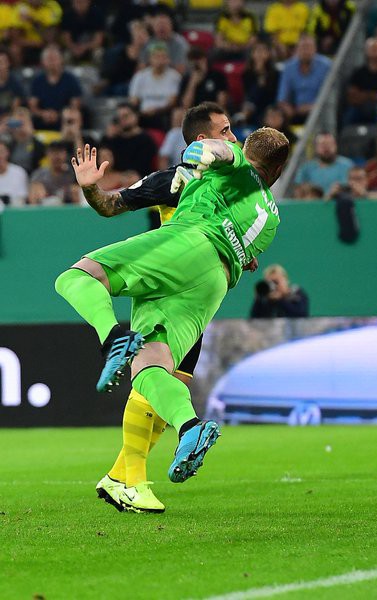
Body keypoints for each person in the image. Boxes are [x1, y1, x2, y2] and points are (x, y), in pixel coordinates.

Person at [57, 126, 288, 513]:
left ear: (246, 149)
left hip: (185, 245)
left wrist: (202, 153)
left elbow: (213, 152)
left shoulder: (232, 161)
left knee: (76, 278)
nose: (229, 137)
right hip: (213, 284)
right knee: (150, 369)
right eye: (224, 130)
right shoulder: (272, 217)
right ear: (278, 171)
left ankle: (112, 338)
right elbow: (247, 257)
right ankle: (190, 427)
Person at [75, 102, 238, 514]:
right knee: (151, 381)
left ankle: (118, 478)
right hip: (167, 292)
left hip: (194, 302)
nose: (233, 137)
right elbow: (110, 205)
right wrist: (91, 188)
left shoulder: (228, 186)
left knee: (167, 395)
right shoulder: (174, 180)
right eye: (226, 130)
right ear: (203, 140)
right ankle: (131, 480)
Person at [277, 34, 331, 125]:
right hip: (295, 112)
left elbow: (330, 95)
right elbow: (282, 98)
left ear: (315, 49)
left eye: (309, 47)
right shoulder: (288, 67)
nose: (306, 51)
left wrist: (312, 107)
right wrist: (288, 109)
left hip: (319, 111)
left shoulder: (326, 66)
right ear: (297, 50)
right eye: (303, 47)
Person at [28, 45, 82, 130]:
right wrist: (43, 114)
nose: (52, 62)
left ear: (61, 60)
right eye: (49, 59)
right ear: (43, 62)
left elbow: (75, 105)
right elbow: (33, 106)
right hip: (42, 119)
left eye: (55, 59)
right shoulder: (37, 81)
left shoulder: (71, 80)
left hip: (64, 119)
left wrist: (59, 114)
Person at [128, 42, 181, 131]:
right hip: (143, 114)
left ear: (168, 59)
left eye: (163, 57)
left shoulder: (174, 76)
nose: (160, 60)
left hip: (164, 114)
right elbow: (133, 99)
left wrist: (156, 110)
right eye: (157, 57)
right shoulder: (140, 76)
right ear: (150, 59)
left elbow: (173, 101)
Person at [100, 103, 159, 177]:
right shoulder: (113, 139)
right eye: (119, 117)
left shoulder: (145, 140)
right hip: (114, 179)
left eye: (126, 116)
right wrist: (107, 137)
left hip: (139, 180)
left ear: (136, 116)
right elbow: (102, 159)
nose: (122, 119)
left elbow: (140, 168)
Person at [292, 132, 353, 199]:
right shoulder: (306, 168)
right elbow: (298, 191)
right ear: (316, 147)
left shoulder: (347, 165)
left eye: (329, 144)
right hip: (314, 204)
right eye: (322, 145)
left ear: (336, 145)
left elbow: (352, 189)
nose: (326, 148)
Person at [28, 140, 78, 205]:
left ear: (65, 154)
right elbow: (32, 199)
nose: (56, 156)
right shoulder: (39, 174)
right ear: (47, 154)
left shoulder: (73, 173)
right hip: (45, 207)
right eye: (53, 152)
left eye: (60, 152)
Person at [0, 139, 29, 207]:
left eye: (1, 152)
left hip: (15, 210)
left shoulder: (19, 172)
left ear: (7, 153)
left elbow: (23, 198)